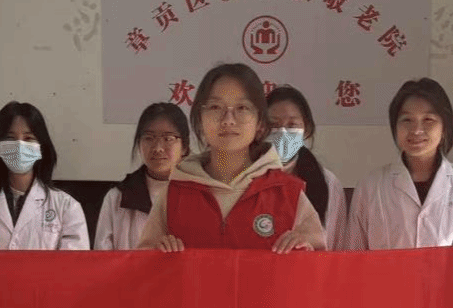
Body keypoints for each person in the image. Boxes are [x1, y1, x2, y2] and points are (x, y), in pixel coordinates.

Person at [136, 63, 326, 252]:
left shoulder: (289, 195)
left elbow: (321, 263)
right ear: (200, 119)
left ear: (260, 122)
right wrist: (158, 255)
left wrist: (305, 250)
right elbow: (142, 265)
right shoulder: (173, 195)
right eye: (215, 107)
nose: (228, 120)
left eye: (242, 107)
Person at [345, 77, 453, 250]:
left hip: (452, 270)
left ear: (444, 128)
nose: (417, 130)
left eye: (428, 120)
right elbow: (354, 254)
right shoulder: (371, 186)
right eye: (407, 120)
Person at [0, 101, 89, 250]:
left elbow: (75, 262)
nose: (19, 145)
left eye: (28, 138)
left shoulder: (66, 207)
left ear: (41, 147)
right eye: (10, 138)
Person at [95, 103, 189, 251]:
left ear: (184, 147)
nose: (158, 148)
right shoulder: (117, 197)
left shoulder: (199, 194)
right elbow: (103, 258)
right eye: (149, 138)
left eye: (168, 138)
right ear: (139, 143)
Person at [266, 84, 347, 251]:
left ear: (307, 129)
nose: (282, 132)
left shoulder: (328, 183)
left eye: (292, 125)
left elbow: (336, 246)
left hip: (313, 267)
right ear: (259, 129)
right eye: (274, 125)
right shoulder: (248, 177)